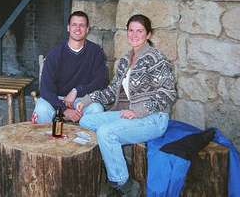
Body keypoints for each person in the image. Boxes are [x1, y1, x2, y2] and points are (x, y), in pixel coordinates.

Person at [76, 14, 177, 196]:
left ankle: (125, 185)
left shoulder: (155, 58)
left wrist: (138, 111)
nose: (134, 35)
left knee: (106, 133)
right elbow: (110, 91)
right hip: (131, 114)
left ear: (148, 35)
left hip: (154, 118)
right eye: (131, 30)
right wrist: (86, 100)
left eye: (140, 31)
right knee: (87, 122)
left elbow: (168, 93)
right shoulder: (124, 60)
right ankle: (107, 170)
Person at [32, 10, 108, 123]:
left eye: (82, 25)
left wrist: (77, 90)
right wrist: (64, 109)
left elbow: (101, 81)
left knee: (97, 109)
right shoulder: (55, 53)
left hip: (82, 99)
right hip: (56, 99)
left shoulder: (96, 52)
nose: (78, 28)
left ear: (87, 29)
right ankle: (48, 140)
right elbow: (45, 89)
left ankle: (86, 140)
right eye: (74, 25)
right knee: (41, 109)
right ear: (68, 28)